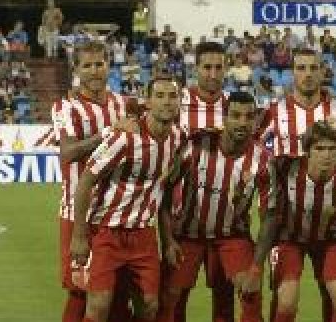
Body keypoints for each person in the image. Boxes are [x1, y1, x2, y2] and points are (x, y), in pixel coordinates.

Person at [69, 73, 186, 322]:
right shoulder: (124, 137)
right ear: (147, 101)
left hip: (143, 234)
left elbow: (164, 190)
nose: (167, 102)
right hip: (107, 233)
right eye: (160, 96)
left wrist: (167, 239)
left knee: (149, 306)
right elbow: (85, 182)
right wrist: (79, 236)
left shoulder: (177, 138)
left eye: (172, 96)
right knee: (98, 308)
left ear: (179, 102)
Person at [252, 121, 336, 322]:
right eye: (319, 148)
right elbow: (259, 175)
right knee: (286, 301)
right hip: (289, 237)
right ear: (307, 151)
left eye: (332, 149)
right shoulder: (285, 168)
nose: (327, 154)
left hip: (330, 237)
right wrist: (257, 264)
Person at [157, 92, 268, 322]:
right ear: (224, 118)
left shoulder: (263, 159)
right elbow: (165, 191)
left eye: (249, 117)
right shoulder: (197, 145)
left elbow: (272, 215)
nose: (242, 122)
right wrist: (167, 241)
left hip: (232, 236)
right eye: (236, 115)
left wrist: (257, 267)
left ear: (256, 120)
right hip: (186, 234)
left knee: (249, 292)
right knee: (170, 297)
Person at [51, 40, 133, 322]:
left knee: (117, 293)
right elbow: (69, 152)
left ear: (109, 65)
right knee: (80, 291)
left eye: (100, 64)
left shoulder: (123, 104)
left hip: (117, 215)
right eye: (87, 66)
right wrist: (110, 132)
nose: (95, 71)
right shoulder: (67, 107)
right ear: (76, 69)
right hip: (78, 214)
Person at [174, 40, 234, 322]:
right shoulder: (176, 102)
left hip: (225, 219)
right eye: (206, 67)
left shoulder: (236, 107)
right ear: (196, 68)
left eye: (218, 67)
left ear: (226, 69)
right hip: (182, 219)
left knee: (223, 296)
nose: (212, 74)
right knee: (175, 296)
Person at [260, 47, 336, 156]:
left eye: (313, 68)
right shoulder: (273, 110)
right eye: (301, 68)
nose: (308, 74)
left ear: (322, 72)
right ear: (292, 73)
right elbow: (257, 146)